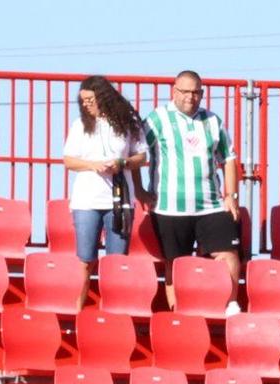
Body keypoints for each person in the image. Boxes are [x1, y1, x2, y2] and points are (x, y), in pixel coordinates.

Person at [140, 70, 241, 311]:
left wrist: (231, 195)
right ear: (174, 91)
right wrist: (140, 191)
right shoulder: (157, 119)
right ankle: (178, 313)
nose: (190, 97)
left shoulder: (213, 121)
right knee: (176, 263)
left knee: (228, 254)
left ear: (202, 94)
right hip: (170, 206)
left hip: (211, 205)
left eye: (196, 92)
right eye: (185, 91)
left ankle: (230, 305)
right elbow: (136, 152)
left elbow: (228, 158)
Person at [61, 75, 147, 306]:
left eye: (90, 99)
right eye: (83, 100)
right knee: (85, 259)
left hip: (120, 200)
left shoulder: (128, 122)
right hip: (87, 200)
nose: (86, 104)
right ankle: (77, 307)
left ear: (103, 97)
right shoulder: (79, 125)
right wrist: (93, 165)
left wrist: (122, 163)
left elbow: (141, 156)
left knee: (116, 261)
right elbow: (69, 160)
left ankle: (113, 308)